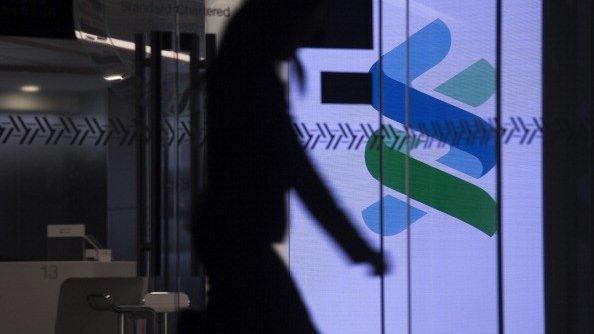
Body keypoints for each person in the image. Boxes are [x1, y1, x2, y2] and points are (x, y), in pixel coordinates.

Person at [193, 0, 386, 332]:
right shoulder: (254, 83)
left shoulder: (242, 74)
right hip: (241, 243)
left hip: (229, 239)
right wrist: (356, 247)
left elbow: (295, 169)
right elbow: (299, 173)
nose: (313, 30)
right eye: (312, 17)